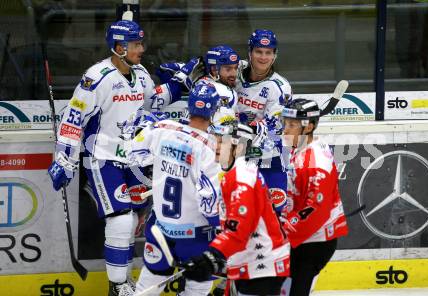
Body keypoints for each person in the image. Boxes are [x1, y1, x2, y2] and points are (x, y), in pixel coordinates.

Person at [47, 19, 203, 296]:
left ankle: (125, 280)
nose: (141, 49)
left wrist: (178, 84)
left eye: (140, 43)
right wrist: (64, 159)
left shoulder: (140, 73)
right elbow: (73, 120)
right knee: (120, 219)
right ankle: (117, 286)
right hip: (103, 158)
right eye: (136, 45)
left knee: (134, 222)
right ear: (119, 47)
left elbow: (151, 102)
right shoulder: (97, 78)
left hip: (134, 160)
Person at [182, 107, 290, 296]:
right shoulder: (232, 174)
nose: (215, 146)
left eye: (222, 142)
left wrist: (212, 256)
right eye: (215, 139)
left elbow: (239, 228)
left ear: (238, 148)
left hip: (262, 269)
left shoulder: (242, 178)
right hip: (250, 264)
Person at [127, 83, 222, 296]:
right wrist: (223, 232)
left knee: (146, 289)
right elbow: (210, 202)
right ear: (214, 110)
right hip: (195, 235)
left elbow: (134, 154)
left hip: (160, 227)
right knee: (196, 291)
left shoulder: (162, 129)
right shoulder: (211, 148)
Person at [280, 98, 349, 296]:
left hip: (314, 242)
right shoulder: (301, 147)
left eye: (292, 125)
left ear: (308, 127)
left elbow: (315, 209)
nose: (286, 129)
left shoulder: (316, 162)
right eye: (286, 123)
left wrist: (285, 228)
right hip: (303, 236)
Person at [235, 29, 292, 214]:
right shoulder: (233, 70)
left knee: (272, 215)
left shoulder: (280, 88)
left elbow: (272, 128)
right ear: (250, 52)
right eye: (259, 51)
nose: (263, 57)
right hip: (235, 155)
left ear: (275, 55)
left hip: (268, 158)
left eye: (268, 53)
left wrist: (244, 126)